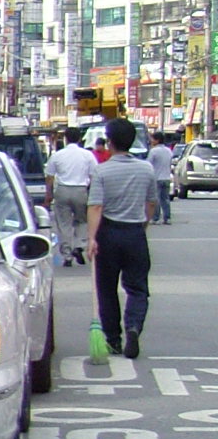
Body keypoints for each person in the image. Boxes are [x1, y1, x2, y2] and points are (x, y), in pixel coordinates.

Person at [90, 115, 159, 359]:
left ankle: (113, 340)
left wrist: (91, 238)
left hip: (108, 233)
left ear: (109, 142)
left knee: (107, 289)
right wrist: (144, 224)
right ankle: (133, 326)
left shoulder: (102, 171)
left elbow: (96, 206)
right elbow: (151, 203)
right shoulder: (146, 169)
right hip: (134, 232)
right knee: (138, 288)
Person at [46, 126, 96, 267]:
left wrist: (48, 195)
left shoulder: (57, 155)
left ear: (65, 139)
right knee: (83, 220)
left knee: (64, 224)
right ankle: (79, 245)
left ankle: (67, 255)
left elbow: (49, 177)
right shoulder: (87, 155)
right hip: (81, 190)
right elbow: (94, 176)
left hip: (62, 190)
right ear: (80, 138)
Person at [148, 135, 175, 224]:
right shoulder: (168, 151)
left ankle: (156, 218)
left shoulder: (154, 151)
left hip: (156, 178)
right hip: (166, 177)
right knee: (165, 199)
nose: (151, 140)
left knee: (156, 199)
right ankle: (167, 218)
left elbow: (148, 163)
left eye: (153, 139)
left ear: (157, 140)